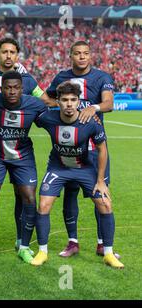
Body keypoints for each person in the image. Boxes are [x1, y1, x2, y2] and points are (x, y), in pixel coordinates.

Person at [0, 37, 54, 254]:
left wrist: (82, 113)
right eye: (4, 51)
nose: (8, 55)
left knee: (24, 196)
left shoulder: (28, 83)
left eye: (12, 52)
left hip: (21, 153)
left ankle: (21, 242)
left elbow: (47, 108)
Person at [32, 81, 123, 269]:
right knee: (43, 204)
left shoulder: (90, 122)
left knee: (105, 203)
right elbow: (29, 115)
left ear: (78, 101)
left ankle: (108, 253)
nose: (69, 104)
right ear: (58, 101)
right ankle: (42, 251)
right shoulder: (48, 118)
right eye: (64, 100)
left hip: (85, 169)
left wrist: (100, 181)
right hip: (58, 168)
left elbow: (102, 149)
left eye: (73, 100)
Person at [46, 40, 116, 258]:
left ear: (90, 55)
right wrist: (58, 107)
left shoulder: (102, 77)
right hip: (68, 146)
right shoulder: (60, 77)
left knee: (100, 192)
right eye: (77, 53)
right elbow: (48, 97)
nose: (82, 57)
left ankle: (102, 243)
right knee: (70, 191)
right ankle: (72, 241)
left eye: (86, 53)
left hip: (94, 147)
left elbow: (109, 103)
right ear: (71, 55)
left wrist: (91, 107)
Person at [0, 71, 47, 264]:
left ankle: (23, 246)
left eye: (16, 87)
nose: (12, 91)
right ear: (1, 89)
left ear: (22, 89)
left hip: (22, 156)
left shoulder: (34, 104)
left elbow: (51, 118)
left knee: (29, 198)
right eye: (8, 88)